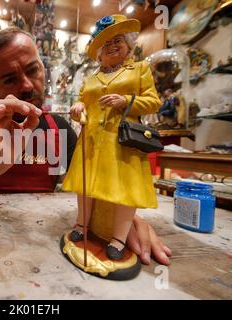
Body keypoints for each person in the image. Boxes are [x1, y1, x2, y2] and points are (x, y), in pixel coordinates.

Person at [0, 27, 171, 266]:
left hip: (44, 255)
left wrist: (118, 216)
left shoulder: (61, 128)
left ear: (43, 68)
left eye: (32, 70)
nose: (26, 86)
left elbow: (92, 183)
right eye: (9, 79)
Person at [62, 14, 166, 268]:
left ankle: (118, 239)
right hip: (92, 142)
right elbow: (82, 102)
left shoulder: (140, 70)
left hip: (123, 144)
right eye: (105, 43)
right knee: (85, 186)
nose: (111, 46)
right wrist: (77, 108)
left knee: (123, 193)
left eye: (117, 40)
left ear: (129, 44)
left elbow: (154, 101)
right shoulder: (91, 78)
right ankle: (81, 224)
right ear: (98, 52)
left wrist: (127, 102)